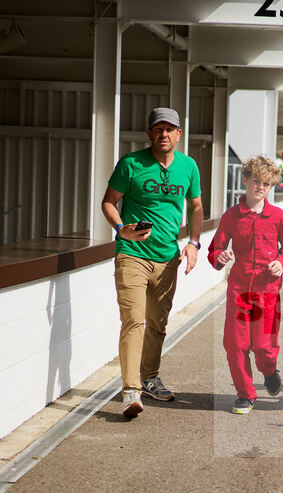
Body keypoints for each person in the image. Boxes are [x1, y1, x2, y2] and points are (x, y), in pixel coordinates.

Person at [100, 107, 203, 419]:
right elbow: (108, 201)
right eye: (158, 129)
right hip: (132, 254)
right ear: (149, 134)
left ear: (179, 134)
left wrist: (194, 244)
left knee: (158, 324)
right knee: (134, 320)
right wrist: (121, 229)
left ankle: (149, 377)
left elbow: (196, 206)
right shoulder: (131, 164)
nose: (164, 134)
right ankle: (131, 390)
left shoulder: (188, 166)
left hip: (167, 257)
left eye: (170, 129)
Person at [209, 156, 283, 414]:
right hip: (239, 289)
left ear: (272, 187)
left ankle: (269, 370)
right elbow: (216, 248)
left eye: (267, 184)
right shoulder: (231, 216)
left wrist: (282, 262)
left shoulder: (279, 216)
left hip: (267, 291)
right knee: (235, 344)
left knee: (263, 347)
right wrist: (220, 256)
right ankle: (245, 394)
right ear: (245, 180)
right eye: (256, 181)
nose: (261, 187)